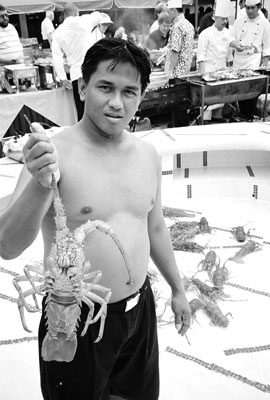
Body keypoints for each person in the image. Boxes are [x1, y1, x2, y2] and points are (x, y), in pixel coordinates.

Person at [0, 37, 191, 400]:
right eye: (105, 87)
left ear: (142, 95)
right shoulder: (53, 153)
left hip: (140, 311)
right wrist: (41, 184)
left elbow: (154, 227)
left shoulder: (148, 155)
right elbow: (7, 246)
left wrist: (178, 289)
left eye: (129, 91)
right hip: (75, 320)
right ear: (82, 87)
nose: (117, 103)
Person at [51, 3, 101, 121]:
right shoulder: (84, 21)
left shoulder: (58, 32)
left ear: (64, 15)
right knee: (97, 107)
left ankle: (83, 138)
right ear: (76, 12)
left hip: (76, 74)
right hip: (93, 71)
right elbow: (98, 15)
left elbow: (56, 56)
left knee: (81, 110)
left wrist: (62, 77)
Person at [230, 0, 270, 119]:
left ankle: (246, 116)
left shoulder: (265, 23)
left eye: (253, 8)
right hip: (239, 60)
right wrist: (235, 44)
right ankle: (243, 115)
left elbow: (267, 47)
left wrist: (264, 66)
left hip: (253, 61)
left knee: (250, 90)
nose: (250, 11)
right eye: (248, 8)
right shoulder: (239, 20)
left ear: (259, 7)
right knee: (239, 90)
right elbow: (230, 37)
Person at [165, 0, 194, 78]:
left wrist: (169, 71)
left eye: (168, 12)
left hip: (176, 72)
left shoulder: (177, 26)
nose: (167, 15)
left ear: (173, 11)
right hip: (185, 70)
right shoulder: (188, 24)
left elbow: (175, 51)